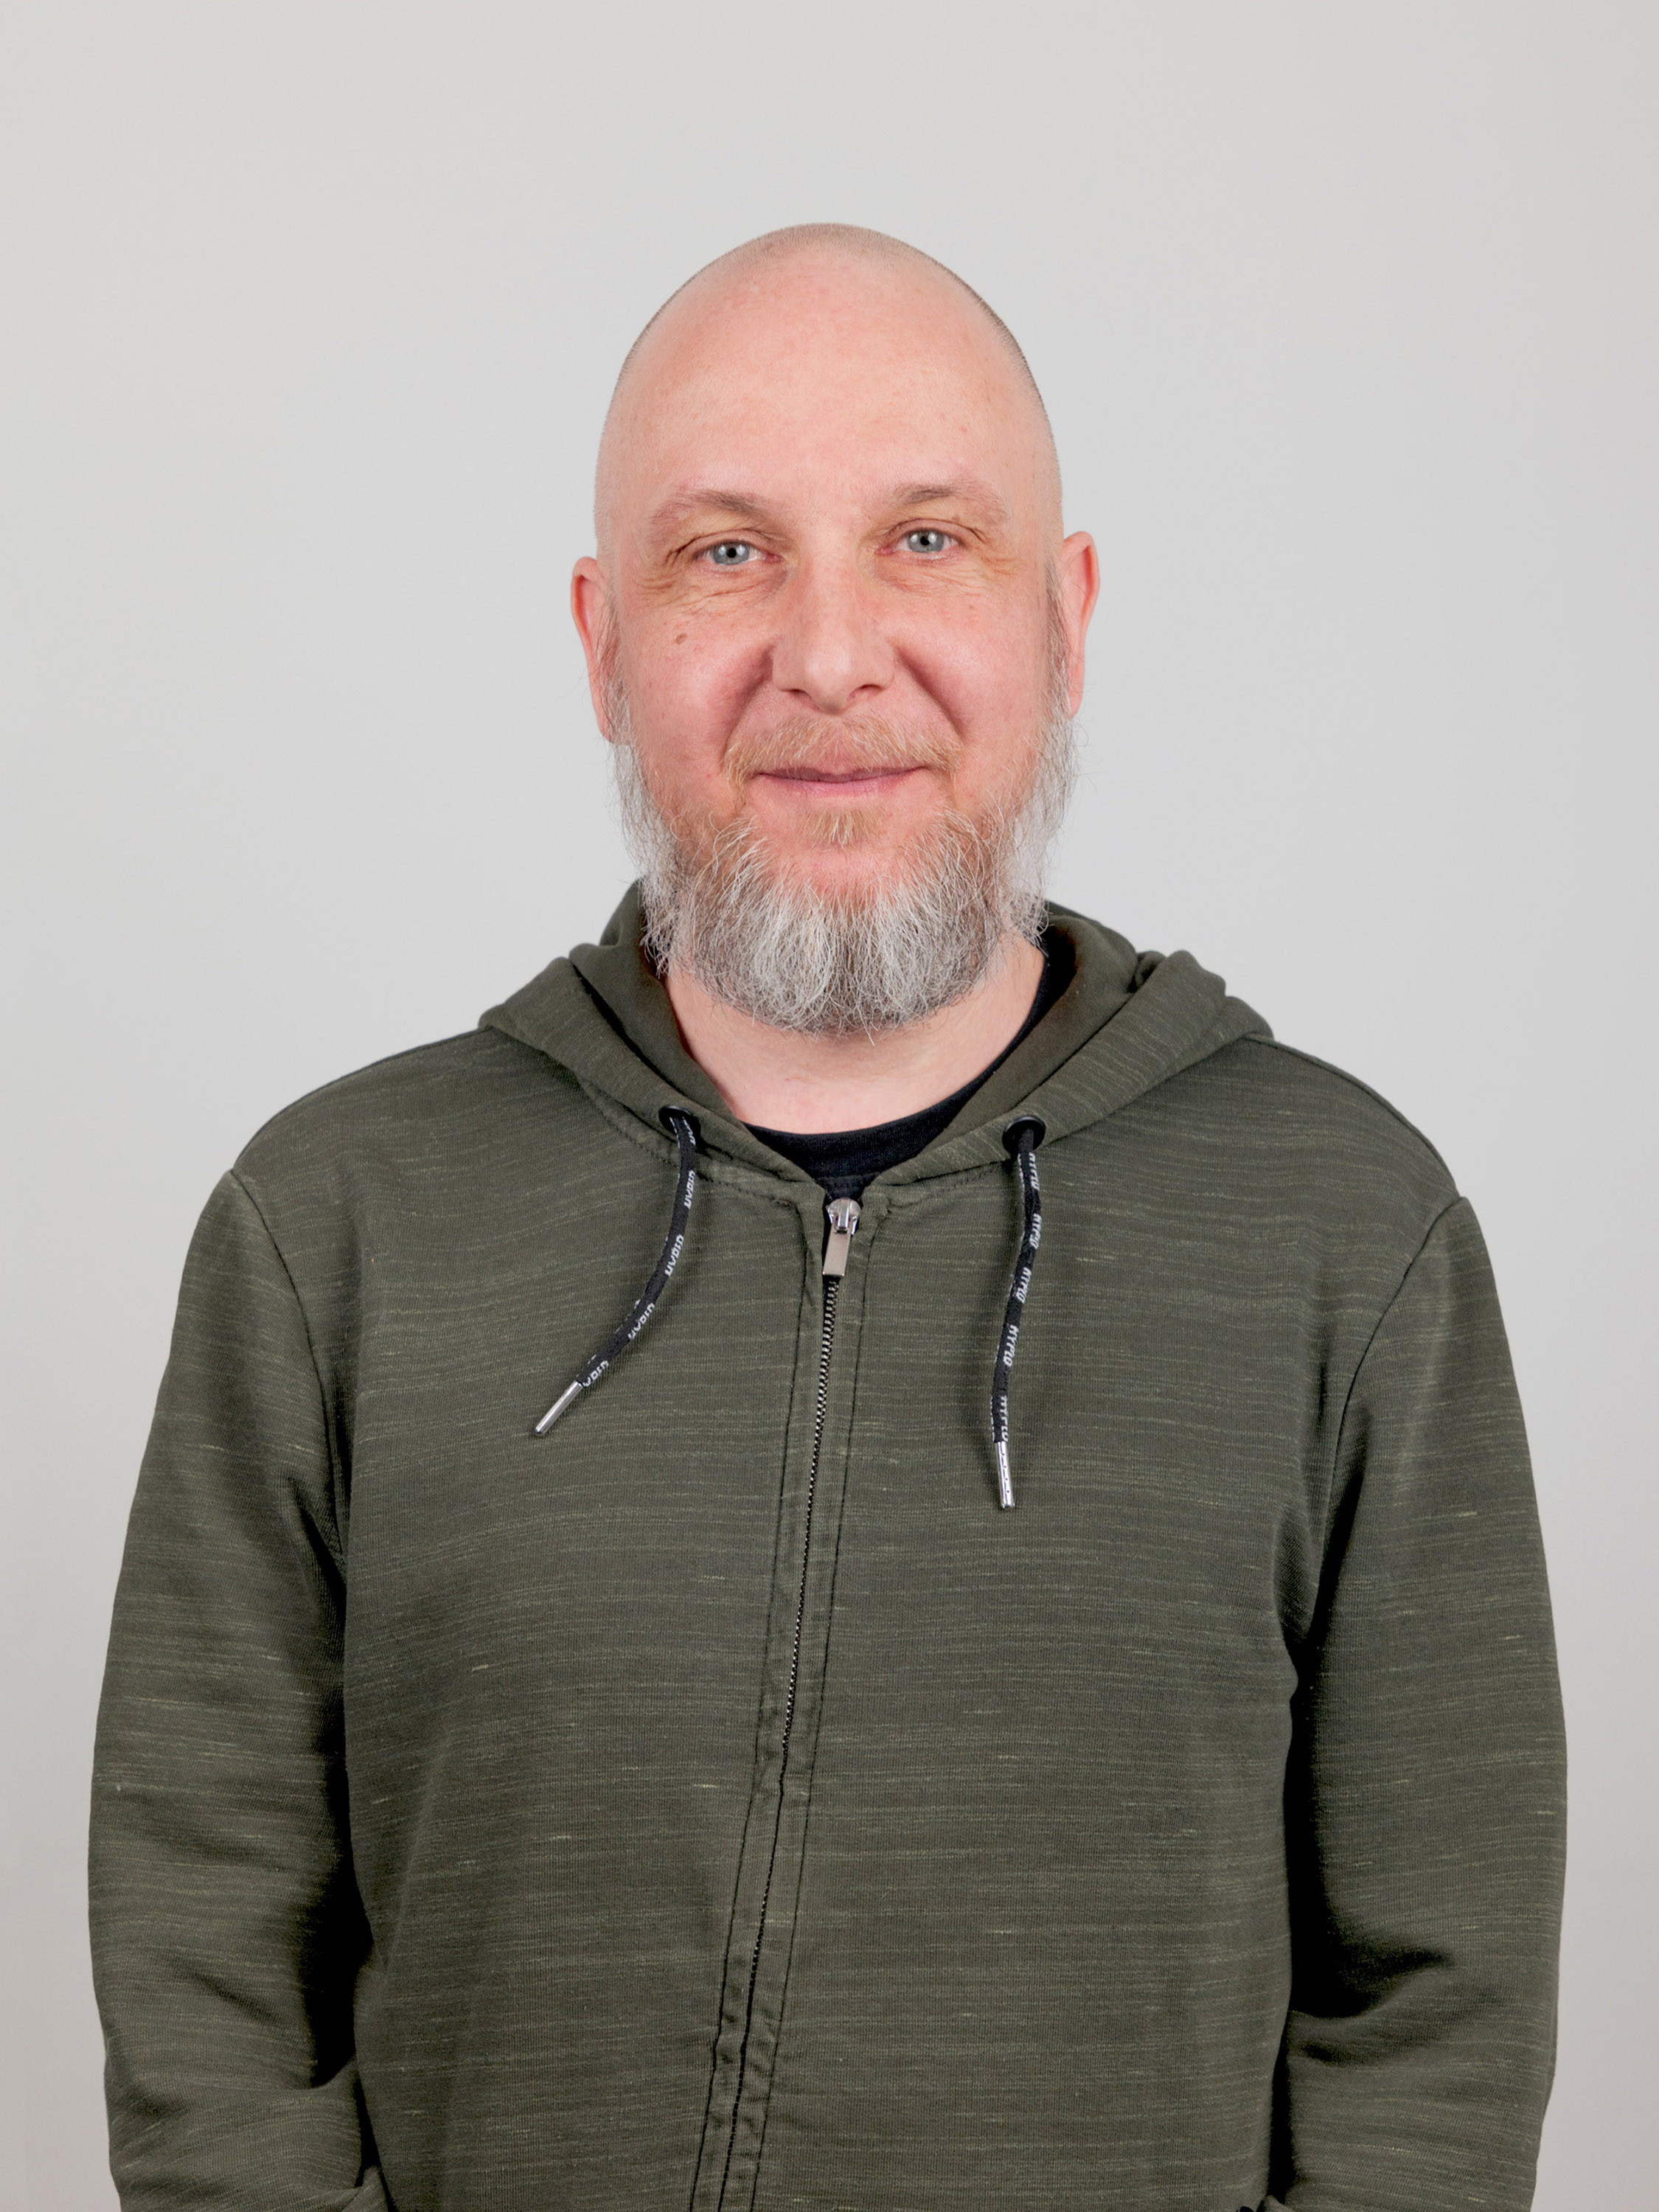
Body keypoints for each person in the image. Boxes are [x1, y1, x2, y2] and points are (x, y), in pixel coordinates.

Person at [90, 226, 1566, 2212]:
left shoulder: (1347, 1236)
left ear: (1066, 620)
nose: (831, 656)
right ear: (604, 643)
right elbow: (207, 1970)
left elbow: (1436, 2019)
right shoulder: (334, 1227)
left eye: (926, 542)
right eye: (728, 553)